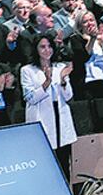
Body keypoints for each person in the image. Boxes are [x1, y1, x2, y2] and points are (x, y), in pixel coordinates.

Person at [21, 32, 76, 180]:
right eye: (42, 47)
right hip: (42, 117)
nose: (47, 50)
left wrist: (63, 80)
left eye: (50, 46)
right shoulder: (27, 70)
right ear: (36, 49)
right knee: (47, 162)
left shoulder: (60, 67)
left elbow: (68, 96)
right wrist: (46, 82)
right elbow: (30, 98)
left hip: (61, 115)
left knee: (64, 161)